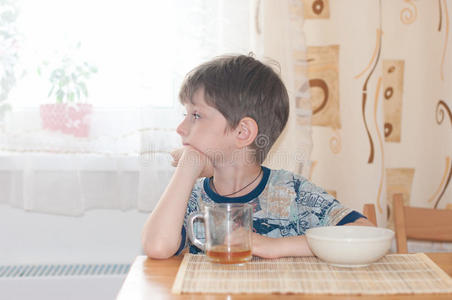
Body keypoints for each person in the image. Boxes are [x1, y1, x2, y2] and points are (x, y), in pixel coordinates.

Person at [141, 55, 373, 259]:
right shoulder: (191, 196)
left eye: (196, 115)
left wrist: (276, 246)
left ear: (242, 132)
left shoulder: (293, 191)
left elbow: (366, 233)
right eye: (185, 114)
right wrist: (187, 167)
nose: (181, 127)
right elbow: (158, 246)